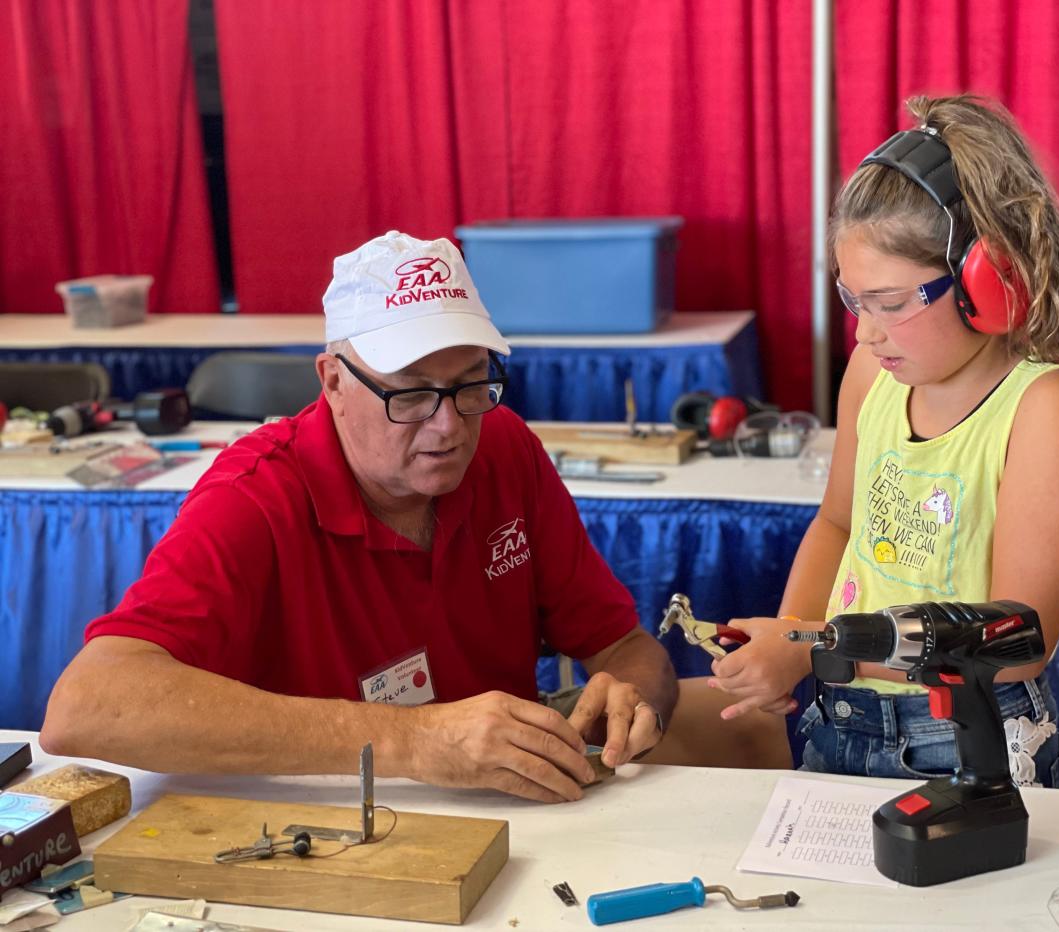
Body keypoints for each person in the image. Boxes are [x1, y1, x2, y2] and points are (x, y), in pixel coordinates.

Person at [41, 231, 677, 804]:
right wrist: (414, 740)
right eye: (412, 392)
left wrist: (629, 699)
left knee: (737, 725)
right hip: (327, 823)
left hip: (505, 806)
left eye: (471, 383)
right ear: (333, 382)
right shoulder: (254, 496)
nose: (449, 425)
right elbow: (88, 708)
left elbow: (623, 646)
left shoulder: (505, 446)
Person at [669, 94, 1059, 785]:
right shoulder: (873, 374)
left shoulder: (1047, 408)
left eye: (893, 303)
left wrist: (814, 647)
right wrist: (789, 641)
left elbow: (1016, 639)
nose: (863, 333)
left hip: (970, 737)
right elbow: (838, 522)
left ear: (984, 280)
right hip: (841, 713)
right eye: (854, 300)